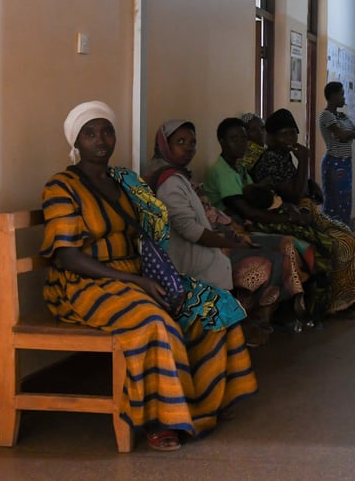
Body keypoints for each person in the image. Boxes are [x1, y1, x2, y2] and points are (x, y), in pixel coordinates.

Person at [40, 101, 257, 451]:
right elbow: (66, 256)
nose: (101, 140)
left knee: (215, 305)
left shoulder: (125, 181)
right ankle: (161, 419)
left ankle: (204, 401)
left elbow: (154, 230)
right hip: (83, 285)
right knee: (156, 322)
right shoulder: (61, 187)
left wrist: (149, 275)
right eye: (90, 133)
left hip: (134, 274)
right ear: (76, 142)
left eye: (107, 131)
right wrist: (137, 282)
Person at [146, 119, 309, 345]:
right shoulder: (169, 181)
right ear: (164, 144)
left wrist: (234, 236)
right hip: (187, 257)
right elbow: (192, 231)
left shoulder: (180, 176)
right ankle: (252, 320)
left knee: (283, 246)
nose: (188, 148)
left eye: (192, 143)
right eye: (180, 142)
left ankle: (267, 317)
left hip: (214, 238)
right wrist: (233, 242)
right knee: (271, 258)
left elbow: (208, 218)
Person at [250, 109, 355, 313]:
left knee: (347, 234)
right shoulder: (270, 159)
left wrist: (309, 184)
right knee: (340, 241)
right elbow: (294, 195)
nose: (291, 138)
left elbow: (298, 188)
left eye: (293, 133)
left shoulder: (282, 156)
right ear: (271, 137)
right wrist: (304, 162)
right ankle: (339, 299)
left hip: (301, 209)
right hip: (288, 214)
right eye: (285, 134)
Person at [318, 81, 355, 224]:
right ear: (332, 96)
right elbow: (341, 135)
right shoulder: (326, 115)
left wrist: (346, 133)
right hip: (334, 161)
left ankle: (344, 233)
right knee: (334, 200)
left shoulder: (342, 116)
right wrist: (348, 133)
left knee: (345, 200)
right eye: (341, 95)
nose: (344, 98)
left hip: (346, 161)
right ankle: (333, 233)